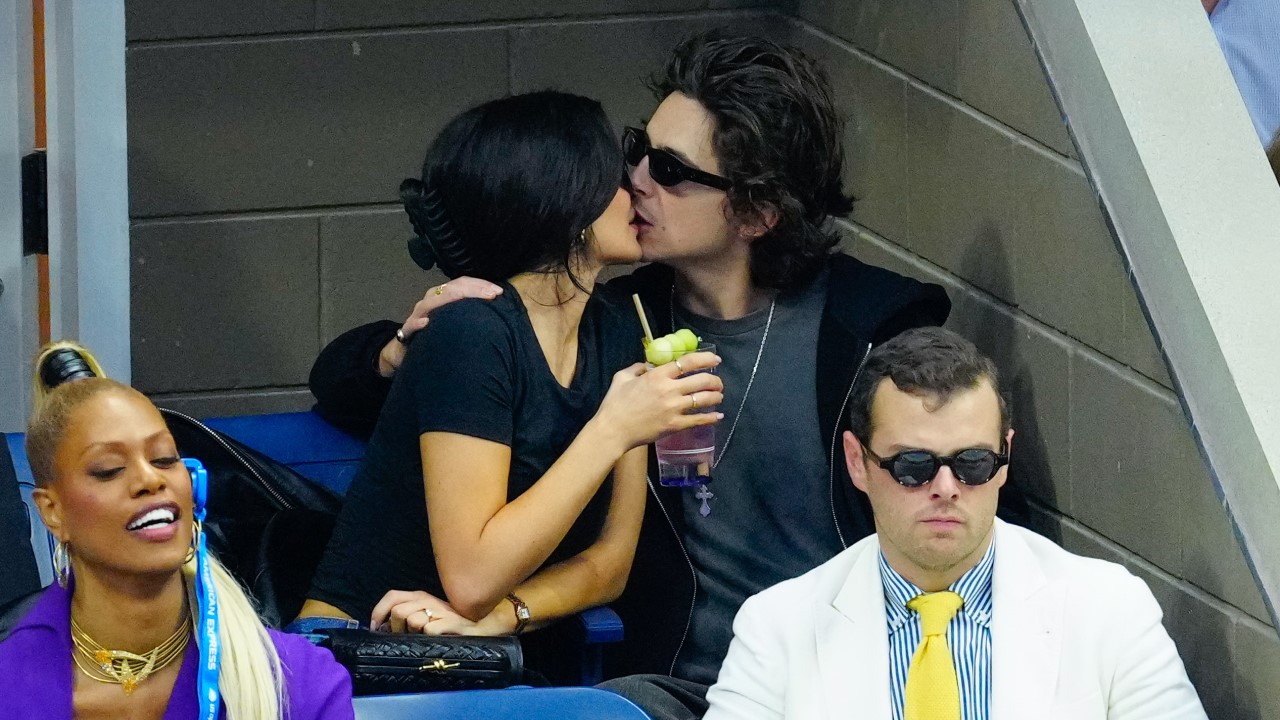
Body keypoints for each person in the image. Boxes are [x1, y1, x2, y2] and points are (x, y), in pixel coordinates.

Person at [307, 32, 958, 714]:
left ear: (758, 213)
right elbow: (367, 391)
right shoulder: (619, 320)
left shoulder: (869, 336)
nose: (636, 181)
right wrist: (392, 352)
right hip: (668, 684)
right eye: (635, 151)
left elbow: (967, 512)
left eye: (671, 171)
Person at [296, 91, 724, 682]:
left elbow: (609, 563)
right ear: (567, 199)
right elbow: (470, 577)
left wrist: (504, 615)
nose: (635, 187)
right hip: (358, 653)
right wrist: (611, 431)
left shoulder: (618, 330)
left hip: (477, 656)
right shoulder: (475, 332)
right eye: (614, 175)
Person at [704, 327, 1207, 720]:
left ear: (1004, 459)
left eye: (971, 463)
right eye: (913, 466)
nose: (945, 487)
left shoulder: (1110, 610)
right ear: (857, 462)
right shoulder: (778, 627)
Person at [0, 342, 352, 719]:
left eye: (165, 459)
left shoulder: (299, 682)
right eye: (109, 469)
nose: (150, 479)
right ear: (52, 511)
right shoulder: (9, 682)